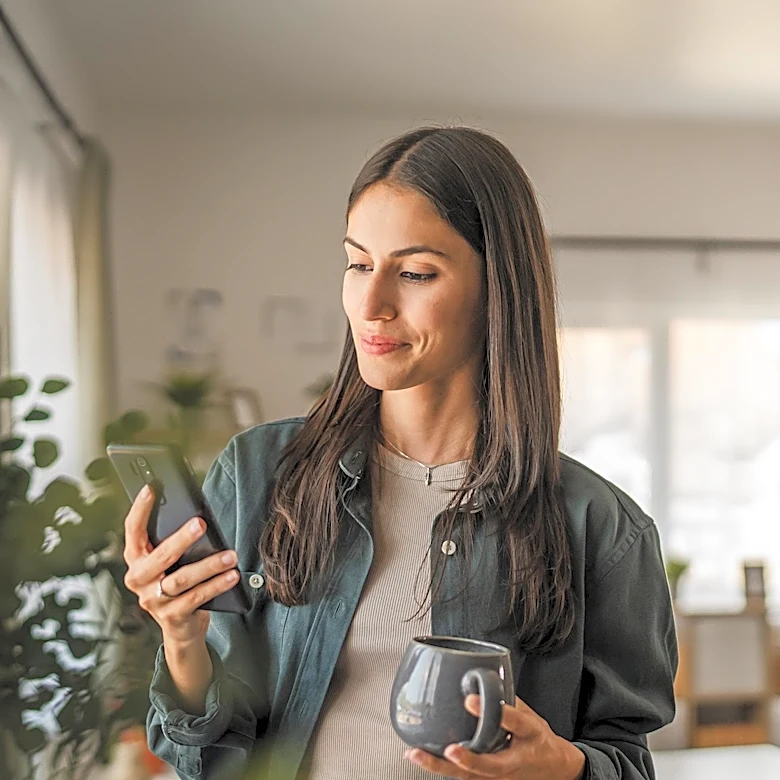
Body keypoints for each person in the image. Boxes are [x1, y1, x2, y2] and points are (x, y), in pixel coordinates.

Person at [123, 126, 677, 780]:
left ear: (497, 287)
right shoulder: (256, 476)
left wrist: (563, 765)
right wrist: (183, 640)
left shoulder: (601, 529)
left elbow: (628, 763)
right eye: (358, 263)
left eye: (414, 272)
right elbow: (203, 761)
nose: (372, 304)